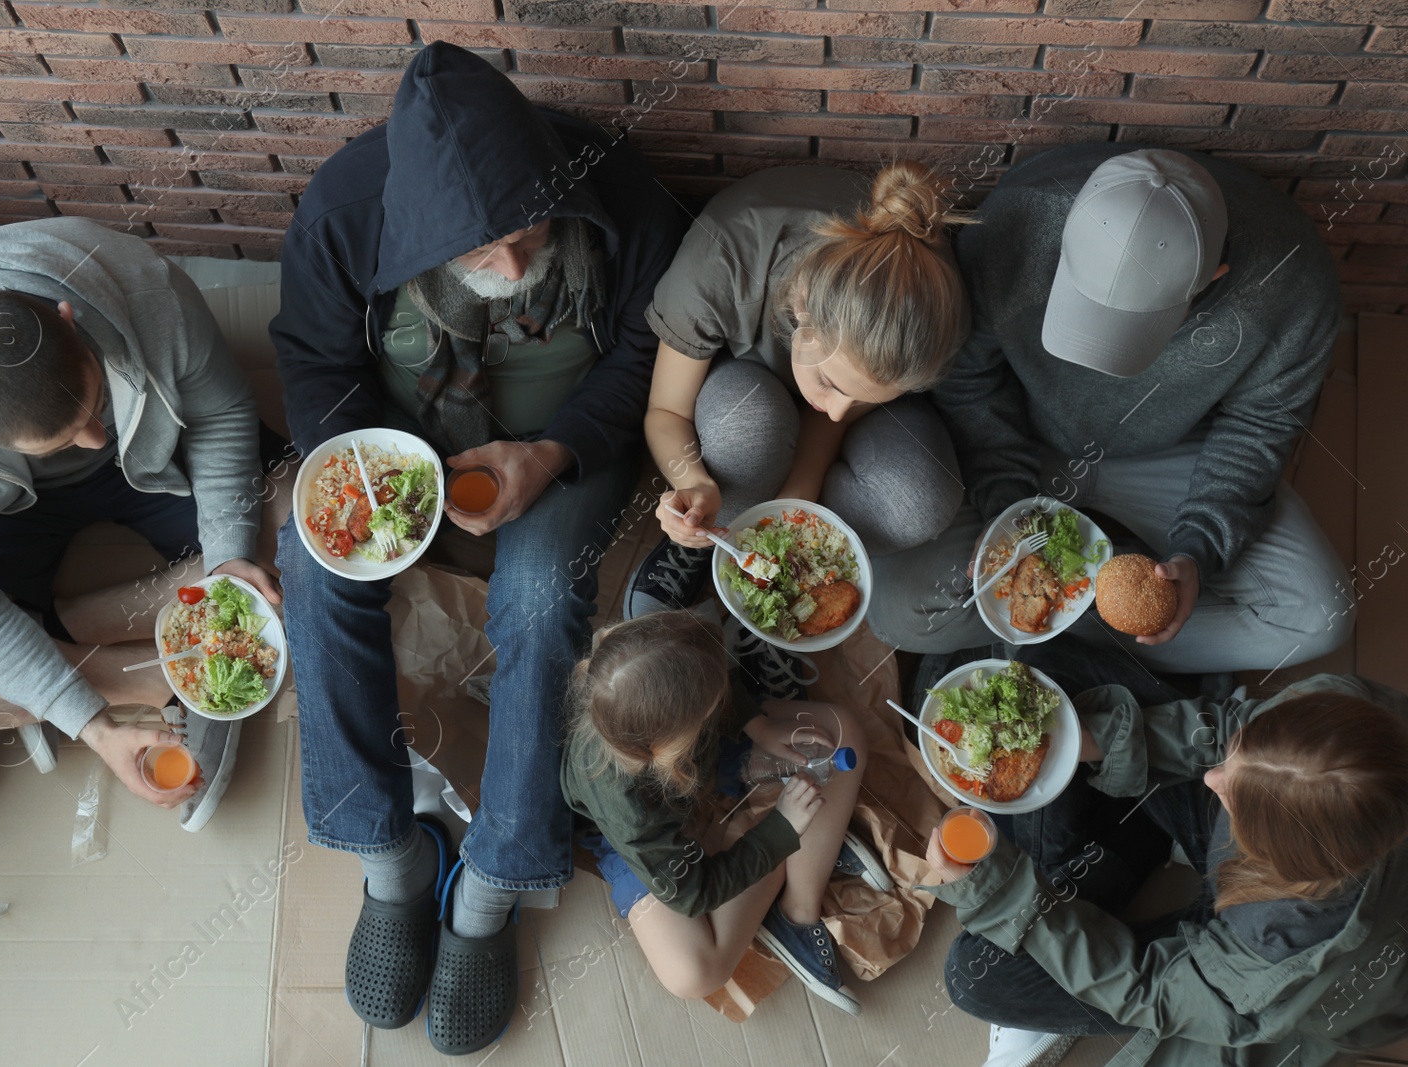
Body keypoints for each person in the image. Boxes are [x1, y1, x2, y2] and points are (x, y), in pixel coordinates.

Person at [269, 43, 682, 1055]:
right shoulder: (339, 212)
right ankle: (386, 853)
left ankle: (497, 875)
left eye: (526, 234)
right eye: (476, 252)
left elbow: (648, 353)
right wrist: (372, 475)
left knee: (542, 596)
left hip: (564, 449)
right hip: (402, 451)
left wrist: (556, 451)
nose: (510, 267)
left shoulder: (623, 198)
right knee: (312, 557)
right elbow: (316, 360)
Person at [0, 217, 284, 831]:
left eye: (93, 407)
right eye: (63, 440)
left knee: (310, 533)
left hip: (152, 449)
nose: (92, 439)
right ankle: (154, 678)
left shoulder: (140, 283)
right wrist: (92, 725)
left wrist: (229, 556)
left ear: (65, 316)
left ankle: (85, 624)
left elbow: (222, 410)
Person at [865, 145, 1350, 673]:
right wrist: (1005, 506)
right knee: (897, 614)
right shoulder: (1011, 224)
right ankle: (1085, 633)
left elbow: (1261, 426)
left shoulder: (1293, 285)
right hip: (1023, 435)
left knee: (1320, 617)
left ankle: (1070, 638)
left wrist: (1198, 550)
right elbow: (970, 381)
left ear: (1213, 277)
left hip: (1173, 450)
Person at [916, 643, 1408, 1067]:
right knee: (1050, 679)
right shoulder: (1352, 723)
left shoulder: (1283, 950)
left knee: (973, 973)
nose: (1213, 781)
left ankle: (1095, 868)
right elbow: (1225, 732)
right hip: (1255, 858)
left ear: (1281, 855)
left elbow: (1146, 988)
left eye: (1234, 801)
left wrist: (1003, 893)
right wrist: (1099, 743)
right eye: (1241, 752)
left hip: (1231, 956)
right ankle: (1128, 848)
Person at [623, 161, 971, 686]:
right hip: (745, 390)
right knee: (749, 429)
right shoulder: (721, 262)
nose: (835, 411)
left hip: (850, 427)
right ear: (799, 315)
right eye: (831, 383)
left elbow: (834, 416)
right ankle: (717, 539)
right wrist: (692, 482)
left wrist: (801, 492)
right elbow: (665, 412)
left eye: (859, 396)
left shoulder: (929, 297)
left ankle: (782, 573)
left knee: (922, 499)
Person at [561, 612, 888, 1014]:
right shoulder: (630, 814)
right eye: (714, 704)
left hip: (704, 763)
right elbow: (692, 893)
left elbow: (714, 679)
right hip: (665, 846)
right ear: (674, 747)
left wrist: (760, 727)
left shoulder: (661, 664)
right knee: (693, 973)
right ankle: (805, 862)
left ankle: (800, 897)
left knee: (841, 729)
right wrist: (781, 832)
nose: (722, 697)